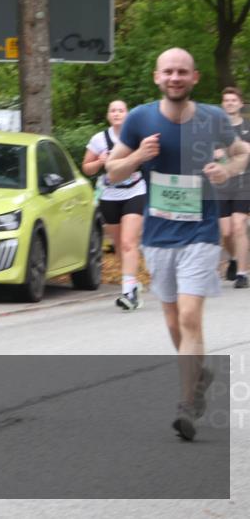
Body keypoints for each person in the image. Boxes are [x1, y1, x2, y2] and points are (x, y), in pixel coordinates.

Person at [106, 47, 248, 441]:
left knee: (188, 317)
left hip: (201, 233)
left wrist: (227, 170)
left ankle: (187, 404)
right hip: (158, 235)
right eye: (168, 71)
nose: (175, 78)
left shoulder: (213, 117)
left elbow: (243, 152)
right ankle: (199, 375)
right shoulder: (140, 118)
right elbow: (113, 171)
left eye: (182, 72)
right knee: (172, 320)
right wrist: (138, 155)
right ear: (157, 77)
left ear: (194, 77)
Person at [82, 100, 147, 310]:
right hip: (109, 195)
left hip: (135, 191)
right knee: (119, 245)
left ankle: (128, 292)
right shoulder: (99, 139)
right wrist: (100, 161)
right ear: (108, 115)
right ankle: (132, 282)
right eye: (113, 111)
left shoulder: (136, 136)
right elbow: (87, 168)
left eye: (121, 110)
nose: (117, 114)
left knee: (129, 242)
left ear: (127, 114)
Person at [216, 87, 250, 288]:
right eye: (226, 100)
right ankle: (235, 258)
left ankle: (242, 274)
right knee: (226, 232)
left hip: (244, 182)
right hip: (222, 184)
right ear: (223, 104)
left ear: (240, 104)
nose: (229, 103)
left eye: (233, 100)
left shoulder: (248, 127)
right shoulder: (216, 129)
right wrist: (214, 155)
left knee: (239, 225)